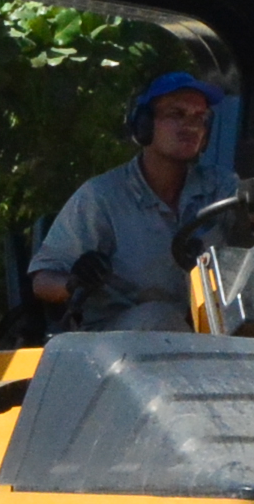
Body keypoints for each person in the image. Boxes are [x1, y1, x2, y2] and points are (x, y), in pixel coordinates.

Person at [24, 72, 236, 334]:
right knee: (158, 318)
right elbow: (43, 281)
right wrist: (74, 281)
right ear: (144, 124)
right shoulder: (101, 196)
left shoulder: (220, 186)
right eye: (176, 114)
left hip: (199, 338)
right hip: (111, 347)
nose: (191, 126)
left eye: (199, 118)